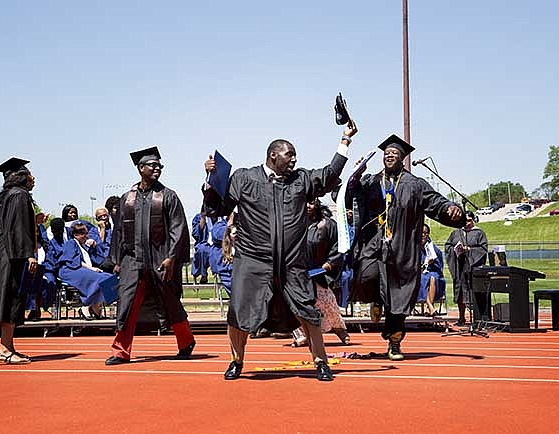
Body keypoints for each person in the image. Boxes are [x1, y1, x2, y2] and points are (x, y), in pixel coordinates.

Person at [203, 120, 358, 381]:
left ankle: (321, 362)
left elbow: (330, 174)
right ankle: (236, 361)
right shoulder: (244, 178)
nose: (294, 160)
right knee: (239, 311)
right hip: (253, 259)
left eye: (295, 156)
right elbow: (217, 207)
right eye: (290, 155)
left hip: (291, 261)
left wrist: (345, 139)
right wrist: (210, 179)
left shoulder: (301, 180)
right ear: (273, 155)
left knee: (307, 309)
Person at [346, 134, 465, 361]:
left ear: (402, 159)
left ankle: (394, 343)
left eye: (395, 154)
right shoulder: (371, 181)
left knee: (399, 298)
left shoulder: (415, 184)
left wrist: (451, 207)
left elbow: (436, 202)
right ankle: (377, 300)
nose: (389, 156)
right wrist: (355, 176)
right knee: (366, 274)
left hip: (403, 249)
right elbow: (347, 195)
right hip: (374, 242)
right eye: (386, 153)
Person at [105, 146, 195, 365]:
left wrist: (171, 256)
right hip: (132, 260)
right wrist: (116, 260)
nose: (157, 169)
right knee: (127, 303)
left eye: (159, 165)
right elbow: (118, 231)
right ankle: (121, 351)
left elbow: (178, 228)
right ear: (140, 168)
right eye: (152, 165)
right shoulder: (127, 198)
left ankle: (186, 342)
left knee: (170, 302)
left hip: (160, 258)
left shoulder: (168, 196)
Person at [0, 157, 38, 365]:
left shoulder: (7, 196)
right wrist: (29, 254)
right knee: (10, 299)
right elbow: (17, 229)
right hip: (11, 256)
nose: (34, 179)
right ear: (22, 177)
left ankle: (8, 347)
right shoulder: (19, 195)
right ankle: (4, 349)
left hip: (2, 253)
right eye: (31, 175)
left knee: (10, 299)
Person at [291, 199, 350, 347]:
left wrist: (329, 264)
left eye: (311, 202)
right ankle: (301, 334)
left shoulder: (327, 224)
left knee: (327, 301)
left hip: (319, 271)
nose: (308, 206)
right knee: (294, 303)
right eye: (305, 202)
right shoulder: (292, 223)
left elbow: (338, 246)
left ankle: (339, 329)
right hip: (297, 271)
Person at [58, 222, 115, 320]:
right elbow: (73, 261)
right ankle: (86, 306)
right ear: (76, 235)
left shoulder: (83, 246)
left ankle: (97, 305)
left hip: (80, 269)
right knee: (98, 278)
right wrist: (91, 269)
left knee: (109, 277)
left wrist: (93, 247)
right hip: (70, 270)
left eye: (86, 233)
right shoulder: (71, 243)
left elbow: (98, 258)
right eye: (83, 234)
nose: (86, 236)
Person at [445, 210, 488, 326]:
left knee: (474, 292)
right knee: (460, 293)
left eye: (469, 220)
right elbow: (448, 246)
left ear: (473, 220)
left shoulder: (479, 233)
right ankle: (461, 317)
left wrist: (470, 250)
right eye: (464, 221)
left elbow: (483, 250)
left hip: (473, 268)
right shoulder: (456, 232)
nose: (466, 223)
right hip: (459, 267)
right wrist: (455, 250)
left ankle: (477, 319)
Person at [418, 223, 446, 316]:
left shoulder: (433, 249)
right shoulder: (413, 247)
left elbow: (439, 266)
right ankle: (430, 306)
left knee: (433, 278)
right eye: (421, 232)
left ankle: (428, 307)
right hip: (418, 273)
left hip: (432, 272)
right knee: (424, 279)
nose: (423, 235)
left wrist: (432, 262)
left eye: (425, 233)